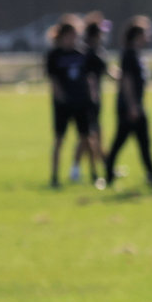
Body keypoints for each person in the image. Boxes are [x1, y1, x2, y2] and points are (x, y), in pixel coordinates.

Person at [103, 17, 152, 189]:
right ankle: (109, 174)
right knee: (120, 141)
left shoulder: (136, 53)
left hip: (137, 105)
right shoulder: (129, 54)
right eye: (145, 33)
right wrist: (132, 106)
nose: (148, 36)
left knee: (144, 142)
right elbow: (126, 81)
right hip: (130, 107)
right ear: (137, 35)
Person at [44, 17, 92, 188]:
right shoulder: (54, 55)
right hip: (63, 105)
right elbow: (53, 80)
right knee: (59, 139)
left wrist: (89, 96)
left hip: (81, 102)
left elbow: (88, 77)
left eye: (75, 35)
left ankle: (94, 174)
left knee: (86, 137)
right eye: (70, 36)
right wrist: (61, 97)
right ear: (62, 36)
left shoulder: (82, 53)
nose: (73, 39)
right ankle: (54, 177)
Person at [79, 14, 110, 179]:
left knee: (92, 133)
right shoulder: (89, 53)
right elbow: (90, 77)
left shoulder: (96, 51)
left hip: (94, 97)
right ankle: (82, 168)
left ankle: (104, 164)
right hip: (90, 99)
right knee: (89, 135)